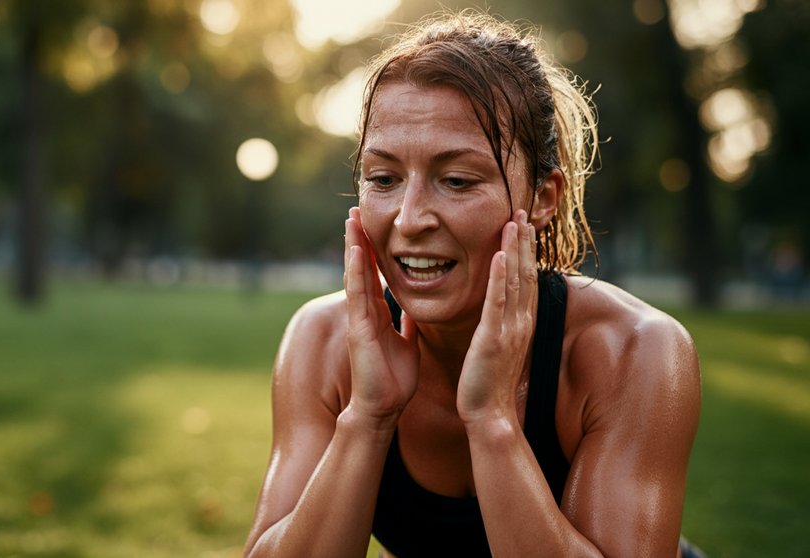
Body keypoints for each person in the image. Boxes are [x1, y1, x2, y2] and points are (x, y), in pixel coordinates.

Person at [244, 11, 702, 558]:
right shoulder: (320, 342)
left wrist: (492, 422)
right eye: (383, 178)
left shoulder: (635, 350)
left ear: (542, 198)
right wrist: (367, 418)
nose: (409, 219)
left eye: (457, 180)